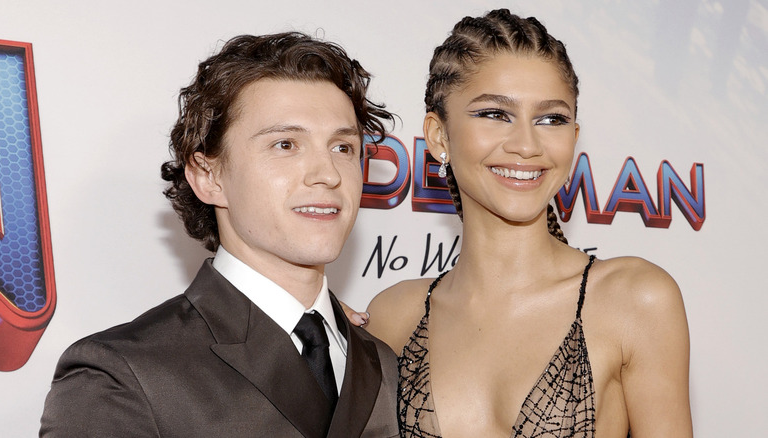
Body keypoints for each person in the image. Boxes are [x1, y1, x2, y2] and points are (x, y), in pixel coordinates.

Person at [40, 32, 399, 438]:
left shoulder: (380, 361)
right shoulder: (122, 374)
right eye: (286, 144)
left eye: (343, 148)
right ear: (209, 177)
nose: (329, 174)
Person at [365, 9, 692, 437]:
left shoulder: (634, 300)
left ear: (574, 138)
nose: (526, 144)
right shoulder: (392, 315)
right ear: (440, 136)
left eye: (550, 119)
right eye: (495, 114)